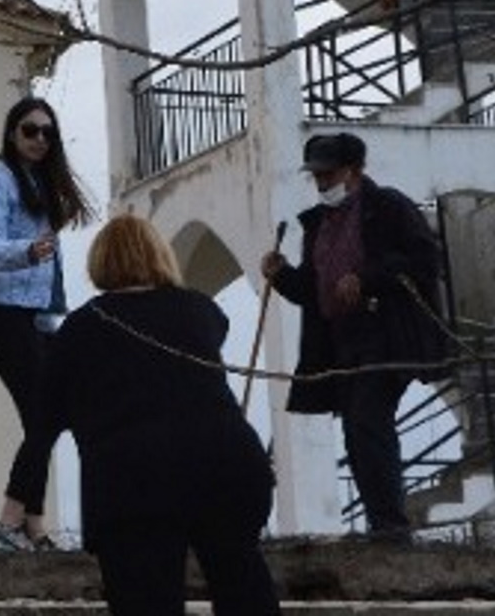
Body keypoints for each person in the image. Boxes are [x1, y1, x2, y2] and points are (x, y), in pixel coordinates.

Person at [39, 214, 281, 615]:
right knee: (243, 585)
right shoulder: (200, 310)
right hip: (228, 464)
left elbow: (48, 412)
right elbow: (212, 332)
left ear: (100, 261)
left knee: (145, 600)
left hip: (134, 479)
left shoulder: (82, 327)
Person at [260, 131, 449, 544]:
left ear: (355, 171)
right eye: (317, 176)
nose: (322, 183)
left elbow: (424, 259)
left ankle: (391, 527)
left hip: (385, 335)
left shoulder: (389, 207)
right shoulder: (319, 225)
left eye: (329, 174)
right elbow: (312, 290)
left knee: (368, 423)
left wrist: (367, 279)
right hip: (339, 341)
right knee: (358, 430)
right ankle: (383, 524)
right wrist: (281, 276)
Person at [0, 96, 90, 551]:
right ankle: (10, 523)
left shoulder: (40, 182)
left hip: (34, 316)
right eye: (30, 130)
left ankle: (32, 526)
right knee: (44, 414)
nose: (39, 139)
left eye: (47, 132)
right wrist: (25, 252)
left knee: (49, 415)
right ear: (12, 133)